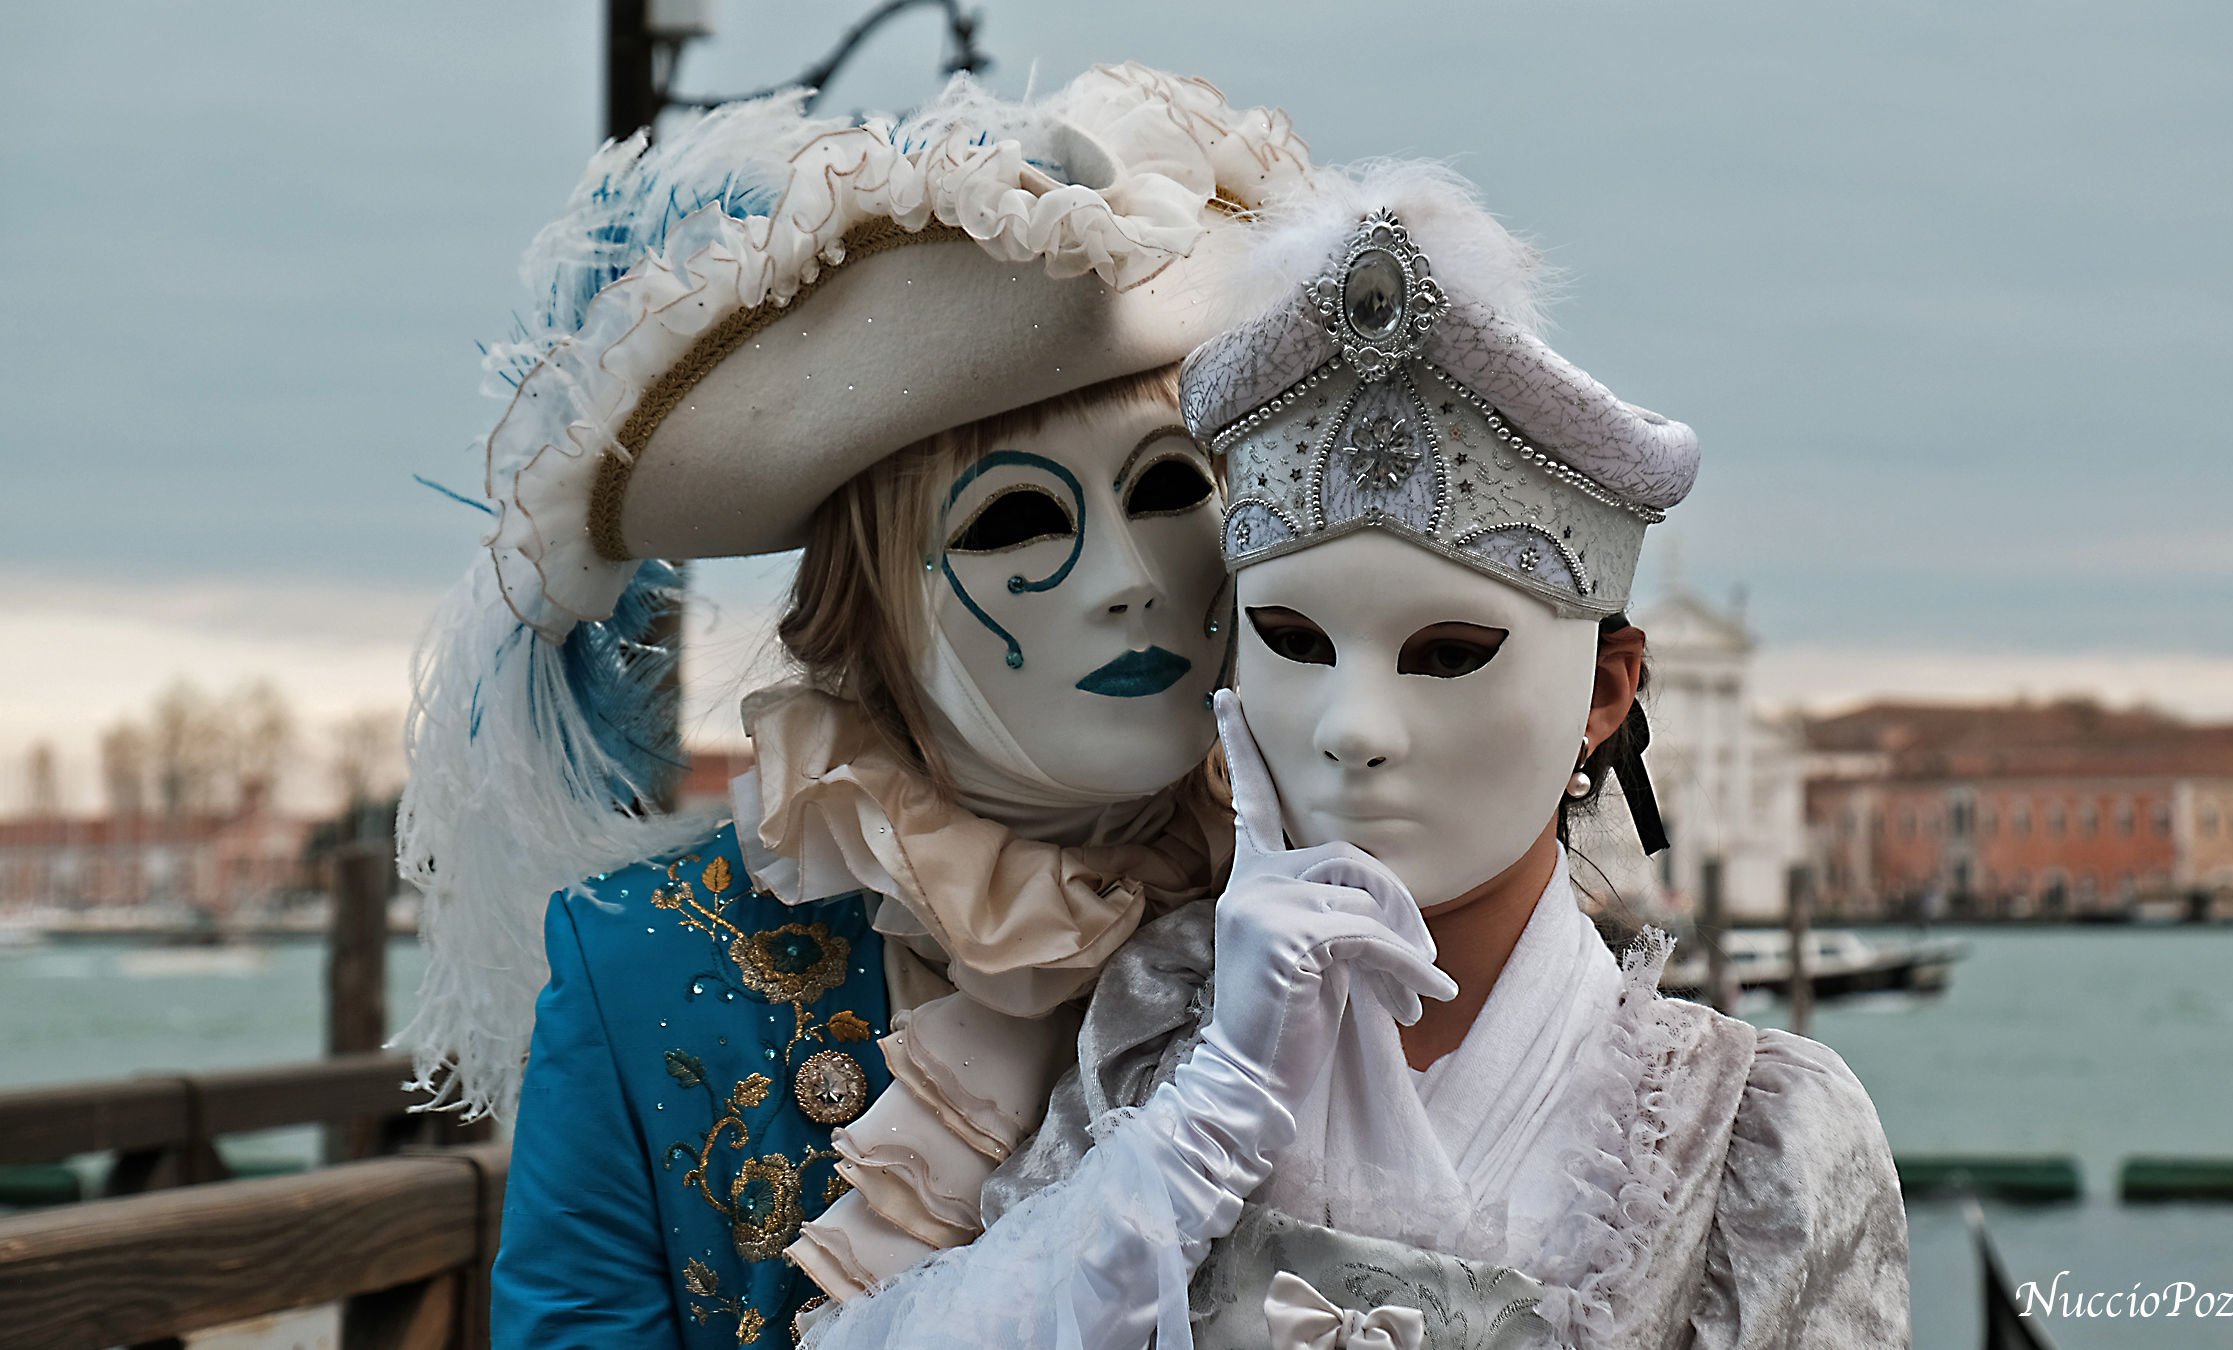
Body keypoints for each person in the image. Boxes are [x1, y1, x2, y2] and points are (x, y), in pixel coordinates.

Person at [797, 164, 1908, 1349]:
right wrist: (1210, 1117)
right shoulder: (1162, 1038)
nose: (1353, 729)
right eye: (1292, 642)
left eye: (1446, 653)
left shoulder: (1750, 1141)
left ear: (1605, 690)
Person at [390, 65, 1315, 1346]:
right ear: (868, 612)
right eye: (1017, 521)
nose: (1126, 582)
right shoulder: (648, 968)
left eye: (1169, 493)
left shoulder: (1349, 904)